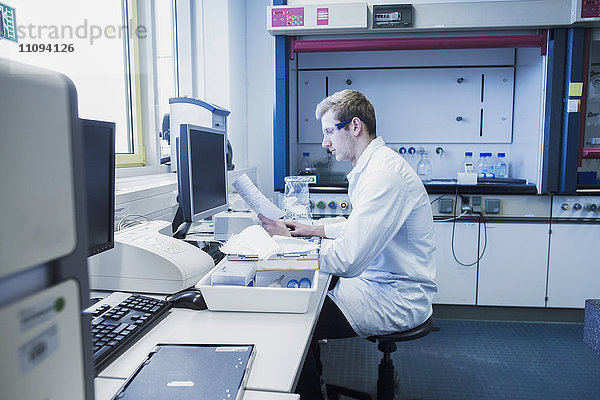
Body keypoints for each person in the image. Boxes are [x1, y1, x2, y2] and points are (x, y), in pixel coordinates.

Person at [259, 89, 437, 399]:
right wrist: (312, 229)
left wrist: (291, 245)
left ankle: (311, 392)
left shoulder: (384, 176)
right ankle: (315, 386)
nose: (325, 142)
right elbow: (358, 225)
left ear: (355, 127)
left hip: (395, 296)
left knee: (297, 319)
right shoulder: (373, 167)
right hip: (379, 283)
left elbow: (348, 260)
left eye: (329, 131)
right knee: (304, 301)